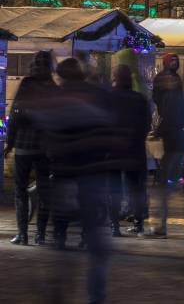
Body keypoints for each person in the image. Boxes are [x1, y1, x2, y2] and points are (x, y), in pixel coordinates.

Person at [45, 58, 120, 304]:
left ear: (61, 77)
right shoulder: (98, 96)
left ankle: (59, 292)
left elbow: (50, 142)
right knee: (98, 244)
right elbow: (111, 134)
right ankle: (96, 296)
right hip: (94, 177)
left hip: (65, 177)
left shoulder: (58, 100)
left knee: (62, 242)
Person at [4, 51, 56, 246]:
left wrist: (10, 142)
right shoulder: (53, 88)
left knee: (20, 190)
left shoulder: (27, 84)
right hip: (45, 149)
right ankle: (41, 234)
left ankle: (22, 233)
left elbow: (15, 113)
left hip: (24, 147)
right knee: (44, 191)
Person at [149, 53, 184, 238]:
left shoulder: (166, 82)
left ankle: (163, 225)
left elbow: (168, 110)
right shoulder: (172, 82)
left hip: (172, 139)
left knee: (166, 185)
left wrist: (160, 130)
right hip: (176, 137)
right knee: (180, 184)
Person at [109, 64, 151, 237]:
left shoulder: (109, 98)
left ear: (115, 78)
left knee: (114, 189)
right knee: (136, 189)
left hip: (113, 150)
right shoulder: (139, 99)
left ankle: (114, 226)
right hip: (135, 149)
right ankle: (139, 222)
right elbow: (147, 124)